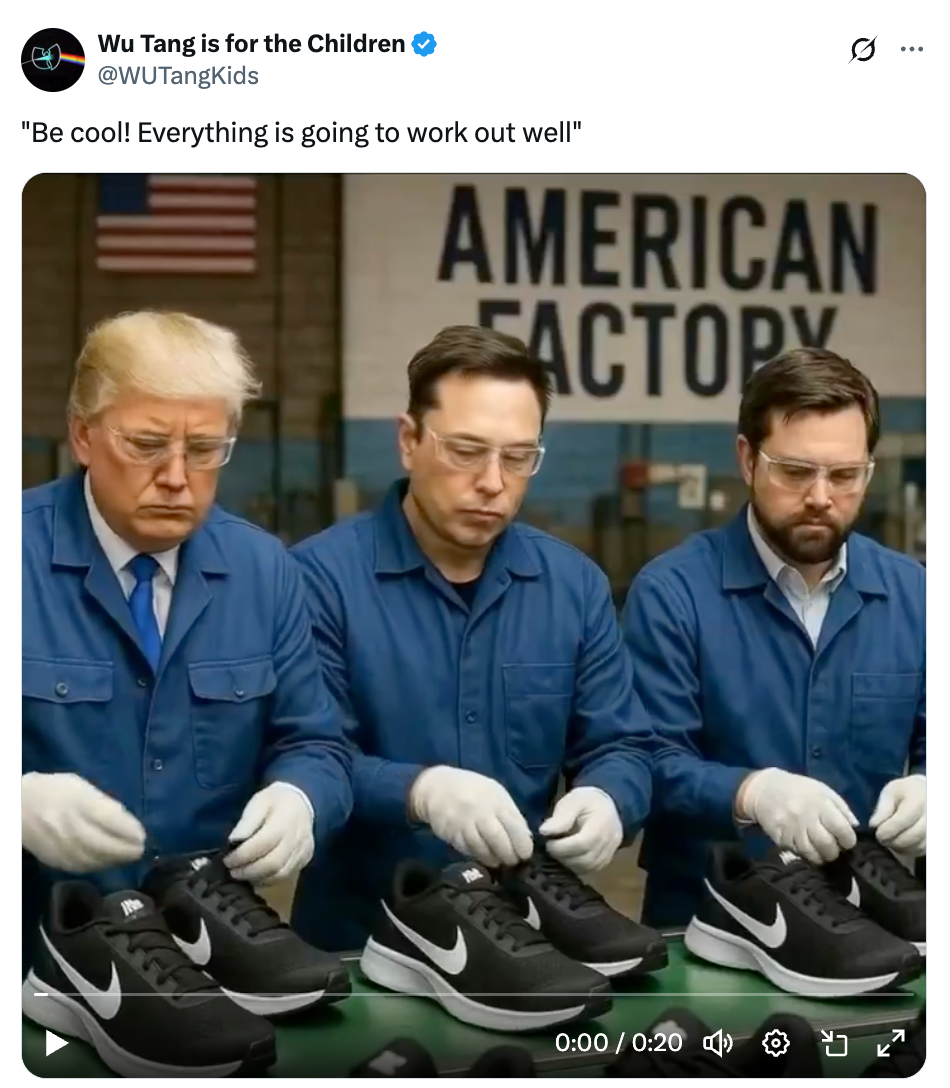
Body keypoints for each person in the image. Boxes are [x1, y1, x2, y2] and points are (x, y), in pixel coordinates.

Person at [290, 325, 655, 950]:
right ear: (409, 441)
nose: (492, 482)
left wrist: (609, 798)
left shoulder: (573, 587)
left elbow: (622, 744)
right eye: (465, 451)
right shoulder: (315, 581)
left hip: (526, 941)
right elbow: (302, 754)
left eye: (518, 458)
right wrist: (418, 792)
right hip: (360, 944)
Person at [22, 311, 354, 970]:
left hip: (212, 955)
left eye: (204, 450)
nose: (176, 476)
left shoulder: (263, 571)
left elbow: (317, 743)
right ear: (83, 435)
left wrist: (302, 797)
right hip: (32, 957)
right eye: (146, 444)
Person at [622, 348, 925, 927]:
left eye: (844, 475)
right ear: (747, 459)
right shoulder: (673, 593)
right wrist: (750, 794)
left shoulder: (914, 594)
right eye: (795, 471)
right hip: (709, 921)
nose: (820, 497)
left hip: (870, 917)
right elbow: (646, 763)